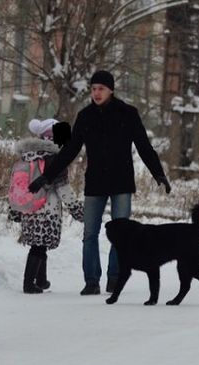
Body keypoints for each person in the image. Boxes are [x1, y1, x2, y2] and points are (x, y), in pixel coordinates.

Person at [28, 70, 171, 296]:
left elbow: (144, 145)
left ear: (111, 90)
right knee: (90, 233)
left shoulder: (128, 113)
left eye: (101, 89)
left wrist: (158, 173)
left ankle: (114, 278)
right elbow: (70, 150)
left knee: (122, 234)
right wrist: (47, 176)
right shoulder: (85, 116)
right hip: (95, 182)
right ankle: (92, 281)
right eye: (93, 89)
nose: (96, 93)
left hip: (122, 182)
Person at [10, 118, 84, 294]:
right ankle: (28, 284)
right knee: (39, 246)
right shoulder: (54, 159)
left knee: (39, 244)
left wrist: (14, 209)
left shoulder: (27, 156)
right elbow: (63, 188)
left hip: (29, 208)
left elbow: (16, 185)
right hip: (47, 209)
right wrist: (77, 209)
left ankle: (41, 280)